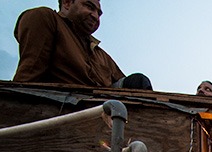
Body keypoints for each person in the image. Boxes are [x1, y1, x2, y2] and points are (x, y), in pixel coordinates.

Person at [13, 0, 153, 89]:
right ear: (67, 3)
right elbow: (29, 75)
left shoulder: (101, 54)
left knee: (139, 81)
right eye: (89, 7)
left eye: (99, 13)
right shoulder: (46, 18)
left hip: (104, 116)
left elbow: (131, 91)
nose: (95, 16)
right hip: (63, 111)